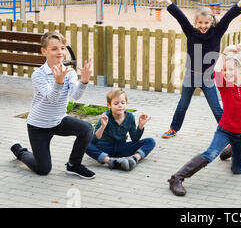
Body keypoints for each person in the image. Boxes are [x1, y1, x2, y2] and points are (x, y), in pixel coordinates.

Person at [168, 43, 241, 196]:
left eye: (231, 69)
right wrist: (224, 54)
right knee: (210, 154)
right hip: (225, 130)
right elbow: (216, 71)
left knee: (238, 170)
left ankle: (232, 149)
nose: (227, 72)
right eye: (226, 70)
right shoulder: (224, 86)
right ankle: (177, 178)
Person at [157, 0, 241, 139]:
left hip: (208, 78)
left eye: (206, 23)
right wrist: (168, 2)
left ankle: (227, 134)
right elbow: (180, 17)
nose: (203, 26)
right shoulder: (190, 32)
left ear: (211, 22)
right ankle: (173, 128)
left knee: (216, 108)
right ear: (196, 22)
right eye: (200, 23)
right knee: (183, 104)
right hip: (190, 75)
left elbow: (228, 17)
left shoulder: (217, 32)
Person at [10, 31, 95, 179]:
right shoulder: (38, 75)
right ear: (44, 51)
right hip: (39, 126)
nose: (60, 52)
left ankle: (74, 165)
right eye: (54, 48)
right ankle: (20, 151)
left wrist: (84, 81)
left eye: (62, 48)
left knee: (87, 129)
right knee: (43, 169)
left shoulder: (69, 72)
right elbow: (52, 98)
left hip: (58, 120)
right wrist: (59, 82)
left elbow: (75, 95)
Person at [85, 88, 155, 171]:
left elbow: (135, 139)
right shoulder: (105, 117)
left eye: (123, 103)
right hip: (105, 147)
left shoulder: (130, 117)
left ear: (126, 103)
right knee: (84, 144)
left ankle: (134, 159)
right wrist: (102, 126)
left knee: (150, 141)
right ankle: (111, 161)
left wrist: (140, 126)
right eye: (116, 103)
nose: (120, 105)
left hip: (122, 147)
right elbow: (94, 141)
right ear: (109, 105)